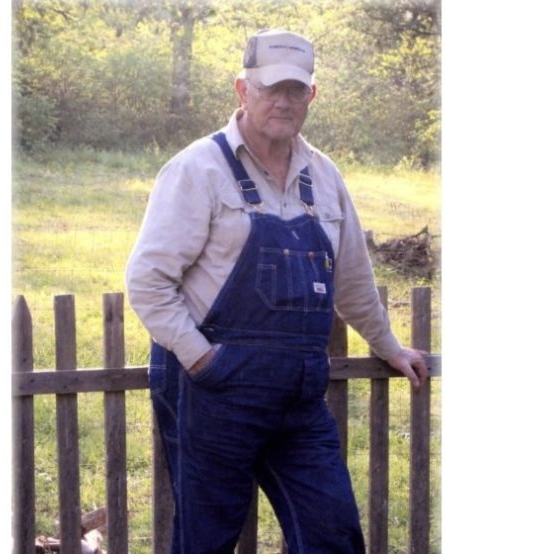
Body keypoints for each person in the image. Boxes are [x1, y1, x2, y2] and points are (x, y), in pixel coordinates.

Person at [125, 29, 428, 554]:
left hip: (298, 398)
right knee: (206, 542)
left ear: (312, 95)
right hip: (214, 392)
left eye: (295, 90)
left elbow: (353, 281)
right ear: (243, 90)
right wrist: (203, 361)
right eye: (270, 89)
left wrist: (389, 347)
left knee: (333, 534)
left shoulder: (325, 177)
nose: (283, 102)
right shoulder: (198, 169)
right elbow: (148, 280)